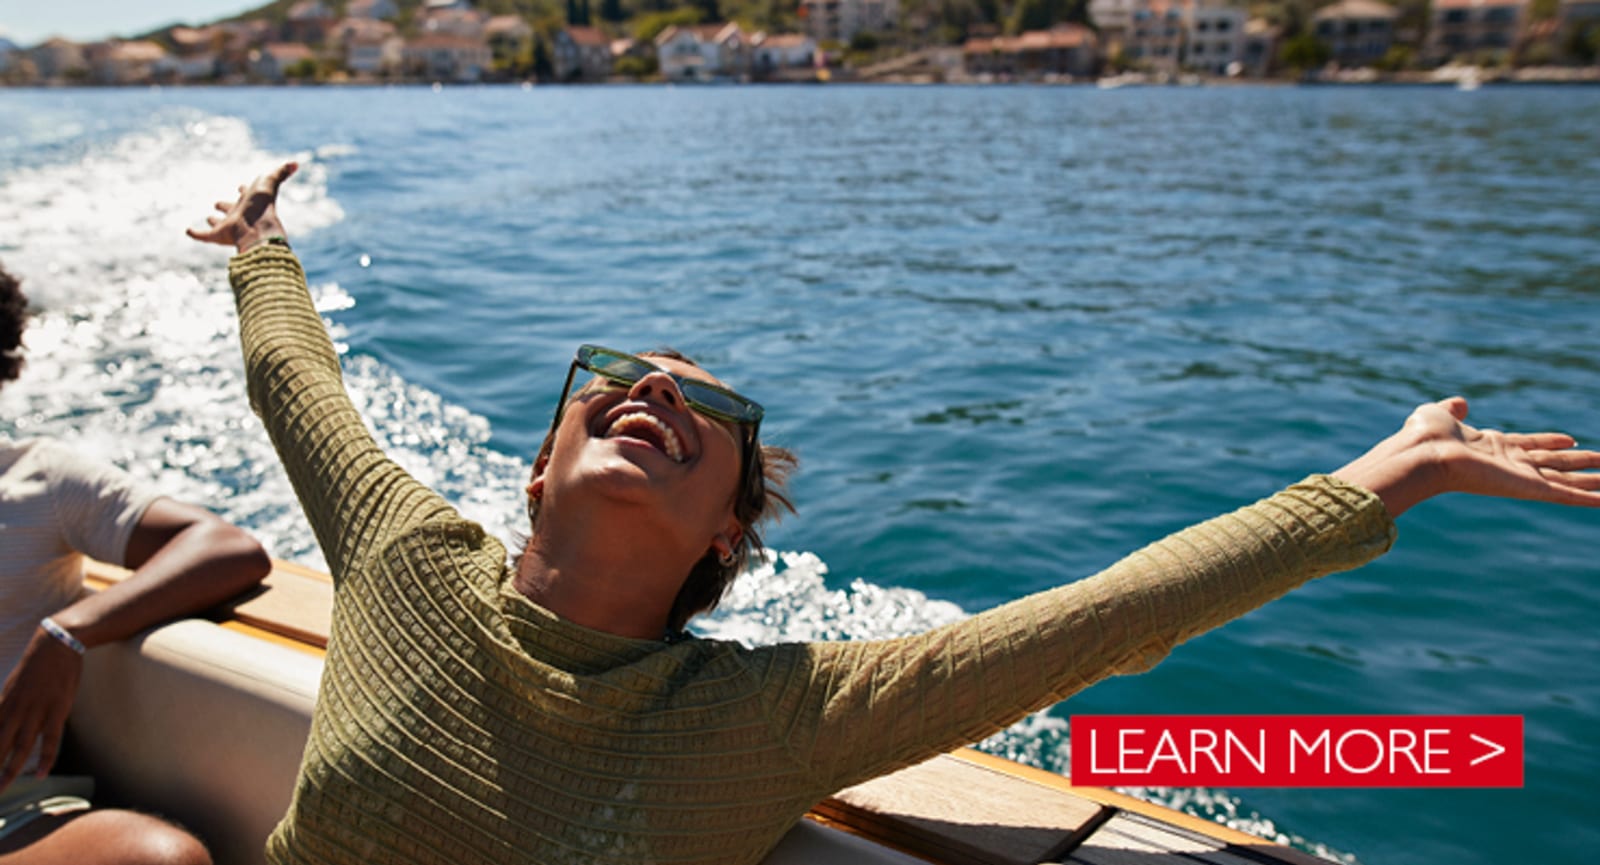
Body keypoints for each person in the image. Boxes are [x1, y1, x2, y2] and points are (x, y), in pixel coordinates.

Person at [189, 162, 1600, 865]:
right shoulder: (403, 556)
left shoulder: (769, 718)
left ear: (725, 538)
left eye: (708, 412)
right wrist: (262, 244)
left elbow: (1099, 623)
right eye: (618, 380)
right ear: (538, 471)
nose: (656, 395)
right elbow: (295, 378)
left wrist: (1388, 477)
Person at [0, 263, 273, 863]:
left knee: (164, 859)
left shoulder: (40, 479)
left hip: (12, 814)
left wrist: (68, 633)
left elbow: (227, 550)